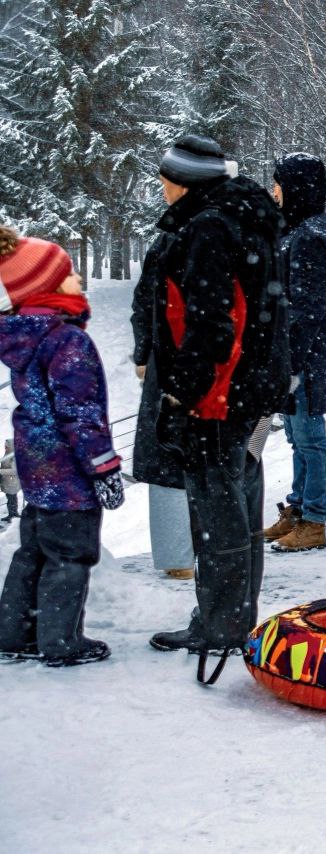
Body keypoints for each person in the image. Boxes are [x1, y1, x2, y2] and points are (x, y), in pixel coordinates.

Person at [145, 134, 291, 684]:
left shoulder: (207, 227)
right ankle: (229, 615)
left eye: (165, 177)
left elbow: (211, 325)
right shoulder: (241, 216)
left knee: (216, 507)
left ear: (181, 181)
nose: (161, 186)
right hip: (249, 389)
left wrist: (187, 396)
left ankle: (221, 624)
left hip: (222, 396)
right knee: (237, 500)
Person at [0, 228, 124, 666]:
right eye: (67, 276)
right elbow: (80, 414)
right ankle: (61, 641)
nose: (75, 282)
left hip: (36, 460)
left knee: (34, 547)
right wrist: (105, 468)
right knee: (71, 553)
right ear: (46, 287)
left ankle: (15, 633)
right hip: (67, 465)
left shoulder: (23, 334)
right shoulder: (68, 340)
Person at [263, 153, 326, 552]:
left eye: (279, 183)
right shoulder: (298, 228)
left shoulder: (311, 235)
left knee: (310, 438)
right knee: (297, 437)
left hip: (305, 357)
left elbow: (305, 311)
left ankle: (314, 520)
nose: (274, 190)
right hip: (295, 353)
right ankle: (297, 510)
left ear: (297, 186)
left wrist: (290, 363)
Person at [132, 220, 195, 580]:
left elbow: (145, 302)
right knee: (179, 460)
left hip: (178, 365)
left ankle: (181, 559)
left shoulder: (173, 239)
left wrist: (144, 353)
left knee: (170, 458)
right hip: (203, 367)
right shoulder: (238, 233)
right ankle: (190, 556)